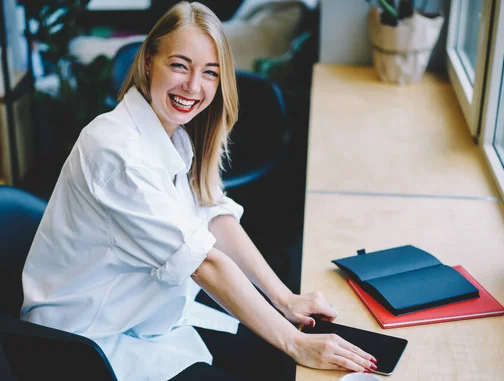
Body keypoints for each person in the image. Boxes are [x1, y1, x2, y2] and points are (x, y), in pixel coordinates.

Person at [20, 2, 377, 380]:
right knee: (281, 354)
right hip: (86, 342)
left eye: (210, 72)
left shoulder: (175, 136)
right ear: (148, 62)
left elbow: (213, 213)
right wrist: (293, 341)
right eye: (179, 65)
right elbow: (205, 261)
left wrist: (285, 299)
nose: (193, 86)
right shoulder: (116, 152)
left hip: (141, 315)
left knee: (276, 360)